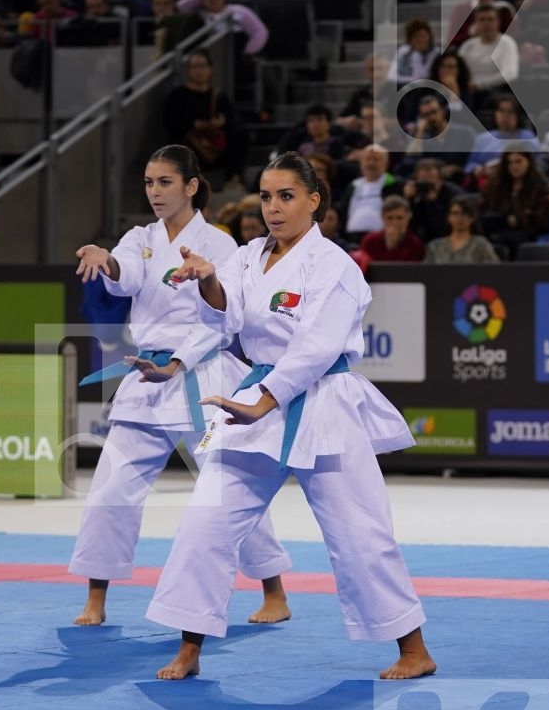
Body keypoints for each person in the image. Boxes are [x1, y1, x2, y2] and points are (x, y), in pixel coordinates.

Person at [157, 151, 437, 682]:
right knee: (204, 524)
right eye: (266, 196)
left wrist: (265, 397)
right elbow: (226, 316)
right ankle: (189, 647)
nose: (274, 208)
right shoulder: (246, 256)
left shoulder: (334, 267)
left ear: (315, 200)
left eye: (286, 196)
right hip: (253, 397)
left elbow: (314, 348)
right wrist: (207, 281)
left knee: (360, 535)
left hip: (322, 401)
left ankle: (414, 648)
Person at [69, 145, 293, 630]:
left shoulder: (220, 244)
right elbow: (125, 277)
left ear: (191, 187)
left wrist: (178, 360)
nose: (154, 192)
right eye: (149, 183)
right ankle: (96, 597)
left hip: (204, 376)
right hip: (145, 377)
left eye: (165, 182)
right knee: (111, 490)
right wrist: (106, 261)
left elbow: (223, 318)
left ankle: (274, 590)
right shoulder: (139, 237)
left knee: (230, 487)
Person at [425, 196, 500, 263]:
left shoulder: (481, 244)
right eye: (455, 213)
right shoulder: (435, 246)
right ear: (448, 217)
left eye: (465, 213)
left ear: (472, 218)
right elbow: (426, 274)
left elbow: (495, 272)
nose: (459, 218)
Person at [358, 196, 427, 263]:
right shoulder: (370, 241)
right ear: (382, 218)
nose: (395, 223)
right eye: (390, 218)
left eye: (400, 218)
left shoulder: (416, 245)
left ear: (408, 217)